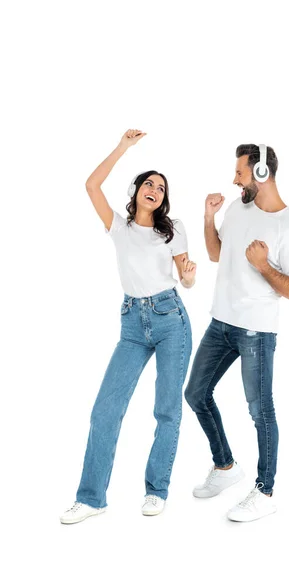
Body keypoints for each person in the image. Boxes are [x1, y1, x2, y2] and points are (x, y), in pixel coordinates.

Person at [60, 129, 196, 524]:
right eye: (148, 183)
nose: (154, 189)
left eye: (161, 187)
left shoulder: (172, 229)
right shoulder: (118, 227)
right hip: (132, 326)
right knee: (106, 409)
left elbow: (187, 279)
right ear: (137, 191)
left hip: (171, 319)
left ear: (163, 199)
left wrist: (187, 275)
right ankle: (91, 497)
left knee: (166, 410)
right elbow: (91, 185)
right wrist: (123, 147)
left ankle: (156, 491)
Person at [185, 143, 289, 522]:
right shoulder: (239, 207)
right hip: (221, 322)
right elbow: (217, 253)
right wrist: (208, 218)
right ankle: (225, 467)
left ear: (261, 173)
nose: (234, 179)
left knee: (260, 410)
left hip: (255, 331)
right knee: (195, 393)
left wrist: (264, 266)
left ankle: (265, 491)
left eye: (240, 173)